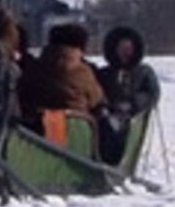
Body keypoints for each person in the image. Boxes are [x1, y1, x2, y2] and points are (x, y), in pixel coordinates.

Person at [18, 23, 105, 130]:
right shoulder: (84, 72)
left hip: (39, 134)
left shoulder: (34, 68)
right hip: (76, 133)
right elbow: (96, 99)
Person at [95, 25, 159, 161]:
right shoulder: (104, 73)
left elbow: (153, 93)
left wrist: (133, 103)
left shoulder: (144, 72)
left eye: (128, 49)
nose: (125, 53)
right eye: (121, 49)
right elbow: (96, 93)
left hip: (133, 118)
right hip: (108, 118)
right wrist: (104, 107)